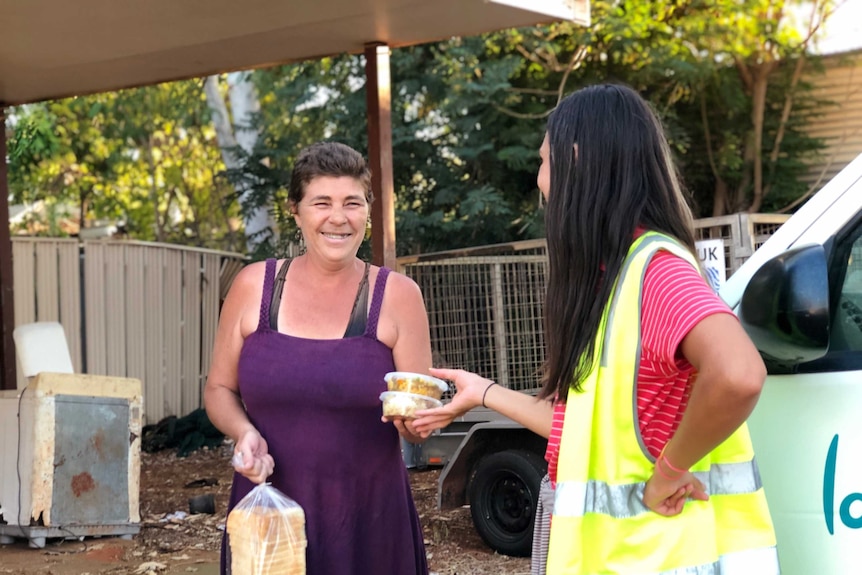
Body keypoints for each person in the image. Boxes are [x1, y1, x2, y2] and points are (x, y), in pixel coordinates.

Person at [413, 83, 779, 575]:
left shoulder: (656, 270)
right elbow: (582, 433)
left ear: (577, 160)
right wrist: (483, 393)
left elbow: (739, 374)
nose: (540, 181)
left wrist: (667, 472)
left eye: (543, 162)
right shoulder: (615, 279)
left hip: (655, 555)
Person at [204, 141, 432, 575]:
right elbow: (218, 388)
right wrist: (243, 432)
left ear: (368, 210)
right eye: (321, 202)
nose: (338, 217)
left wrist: (418, 423)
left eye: (352, 202)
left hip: (370, 522)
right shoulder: (255, 287)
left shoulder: (399, 297)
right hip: (269, 519)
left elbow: (418, 421)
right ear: (296, 210)